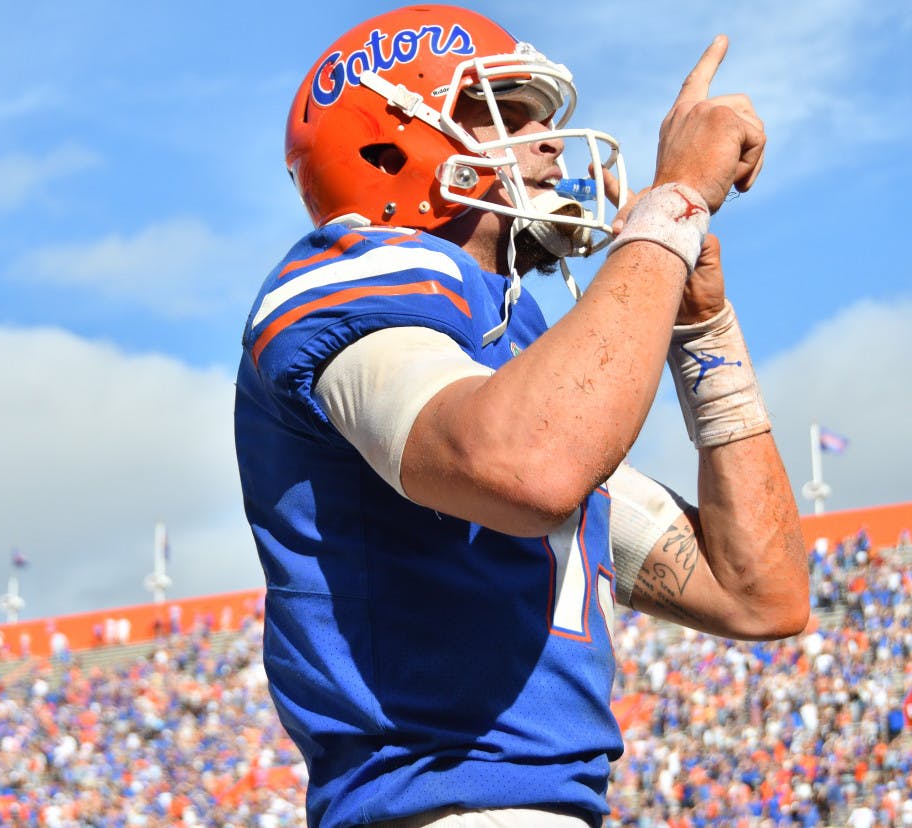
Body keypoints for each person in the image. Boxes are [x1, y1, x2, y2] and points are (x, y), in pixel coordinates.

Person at [234, 5, 810, 827]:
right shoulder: (357, 274)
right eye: (506, 110)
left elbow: (762, 593)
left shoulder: (504, 357)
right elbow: (530, 467)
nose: (547, 139)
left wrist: (701, 324)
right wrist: (670, 207)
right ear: (395, 144)